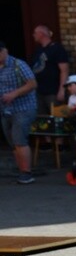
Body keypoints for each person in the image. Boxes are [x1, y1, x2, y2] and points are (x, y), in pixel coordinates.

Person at [0, 40, 38, 184]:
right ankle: (21, 169)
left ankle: (27, 173)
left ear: (4, 51)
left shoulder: (18, 64)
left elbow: (32, 84)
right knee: (12, 142)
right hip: (5, 109)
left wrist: (14, 94)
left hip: (23, 108)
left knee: (19, 139)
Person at [29, 25, 69, 115]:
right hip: (38, 91)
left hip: (53, 92)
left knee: (58, 118)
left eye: (35, 33)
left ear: (41, 34)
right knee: (42, 121)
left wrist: (62, 90)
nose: (33, 35)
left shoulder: (57, 49)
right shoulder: (38, 50)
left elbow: (64, 70)